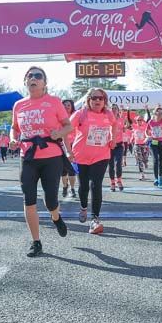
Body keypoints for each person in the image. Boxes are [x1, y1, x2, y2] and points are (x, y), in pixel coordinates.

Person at [10, 66, 73, 257]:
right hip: (27, 157)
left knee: (50, 200)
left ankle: (56, 217)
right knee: (28, 199)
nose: (33, 78)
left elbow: (68, 126)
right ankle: (36, 242)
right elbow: (14, 128)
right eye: (29, 76)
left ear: (45, 83)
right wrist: (13, 138)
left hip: (51, 157)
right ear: (25, 81)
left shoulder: (53, 102)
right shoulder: (19, 105)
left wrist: (59, 133)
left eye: (38, 76)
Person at [69, 88, 117, 234]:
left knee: (96, 185)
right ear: (89, 100)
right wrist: (68, 150)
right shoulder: (80, 114)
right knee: (83, 187)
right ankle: (83, 207)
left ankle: (95, 219)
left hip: (101, 155)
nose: (97, 101)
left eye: (101, 98)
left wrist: (113, 138)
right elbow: (66, 130)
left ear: (104, 101)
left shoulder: (108, 114)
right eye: (94, 98)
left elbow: (114, 125)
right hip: (81, 156)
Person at [145, 105, 162, 187]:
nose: (160, 114)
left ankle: (160, 176)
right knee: (155, 159)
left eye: (161, 113)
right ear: (154, 113)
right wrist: (148, 136)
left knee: (161, 160)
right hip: (154, 143)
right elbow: (146, 131)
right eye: (158, 112)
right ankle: (156, 178)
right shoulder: (151, 122)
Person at [60, 99, 78, 198]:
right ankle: (64, 186)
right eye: (64, 105)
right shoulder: (59, 118)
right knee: (63, 170)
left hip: (74, 145)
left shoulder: (76, 116)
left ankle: (72, 188)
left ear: (72, 106)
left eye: (68, 105)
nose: (66, 107)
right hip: (62, 146)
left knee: (72, 169)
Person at [108, 103, 125, 191]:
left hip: (119, 145)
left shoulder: (121, 120)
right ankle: (112, 182)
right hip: (109, 146)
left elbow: (124, 129)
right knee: (111, 165)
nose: (114, 110)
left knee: (118, 163)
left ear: (118, 110)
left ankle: (119, 180)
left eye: (115, 108)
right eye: (112, 108)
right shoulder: (107, 120)